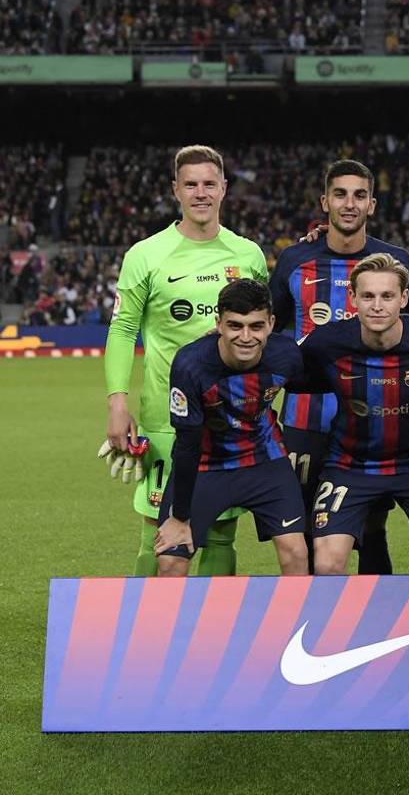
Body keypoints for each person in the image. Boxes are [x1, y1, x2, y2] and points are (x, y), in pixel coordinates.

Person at [272, 159, 409, 575]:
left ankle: (374, 624)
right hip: (307, 422)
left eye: (359, 195)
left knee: (374, 521)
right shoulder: (295, 259)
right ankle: (318, 629)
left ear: (372, 204)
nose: (349, 204)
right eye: (341, 194)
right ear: (324, 201)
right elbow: (273, 333)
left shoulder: (394, 260)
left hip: (386, 419)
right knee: (314, 539)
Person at [101, 145, 268, 577]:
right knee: (156, 535)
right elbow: (122, 330)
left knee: (220, 534)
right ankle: (145, 637)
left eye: (209, 184)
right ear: (175, 189)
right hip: (165, 419)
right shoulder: (146, 255)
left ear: (224, 189)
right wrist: (117, 402)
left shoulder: (247, 254)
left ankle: (212, 640)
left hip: (230, 418)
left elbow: (264, 331)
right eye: (190, 184)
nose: (200, 193)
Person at [296, 253, 409, 575]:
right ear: (353, 299)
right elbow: (282, 366)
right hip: (349, 465)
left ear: (404, 298)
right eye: (368, 296)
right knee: (326, 564)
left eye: (387, 296)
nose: (377, 305)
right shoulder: (328, 341)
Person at [154, 279, 307, 577]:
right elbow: (187, 444)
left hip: (266, 461)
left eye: (256, 326)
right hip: (205, 467)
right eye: (235, 326)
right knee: (170, 561)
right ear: (218, 324)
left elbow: (318, 380)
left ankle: (297, 625)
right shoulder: (190, 365)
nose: (246, 337)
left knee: (297, 553)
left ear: (272, 324)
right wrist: (179, 517)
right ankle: (171, 625)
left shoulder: (287, 355)